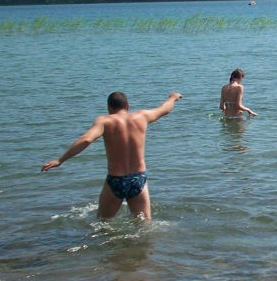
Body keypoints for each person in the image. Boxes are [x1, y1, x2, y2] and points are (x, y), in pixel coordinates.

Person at [41, 91, 182, 220]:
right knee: (144, 225)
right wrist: (173, 97)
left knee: (103, 224)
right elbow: (165, 109)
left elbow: (86, 139)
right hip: (138, 179)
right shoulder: (142, 116)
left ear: (109, 107)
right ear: (127, 106)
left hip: (116, 181)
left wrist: (60, 160)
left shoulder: (104, 121)